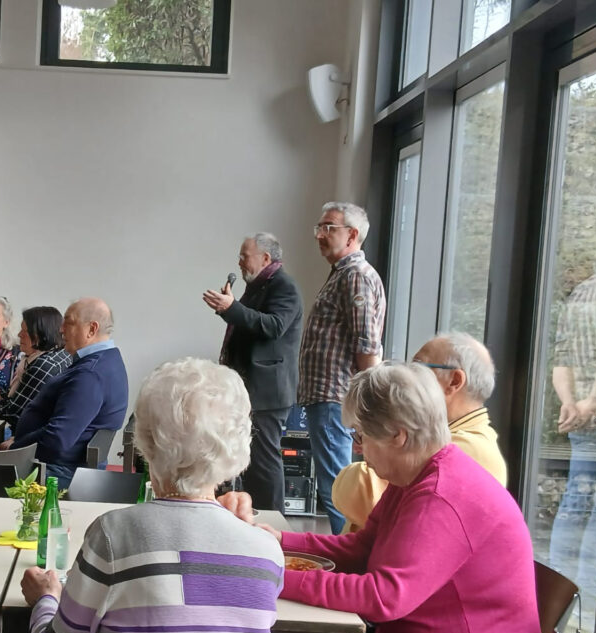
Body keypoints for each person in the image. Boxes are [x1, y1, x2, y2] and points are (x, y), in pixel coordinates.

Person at [19, 358, 284, 633]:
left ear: (145, 441)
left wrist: (45, 601)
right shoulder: (266, 551)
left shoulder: (114, 535)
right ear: (238, 445)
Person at [250, 362, 542, 633]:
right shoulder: (417, 477)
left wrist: (274, 577)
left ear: (398, 436)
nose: (357, 449)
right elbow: (361, 549)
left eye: (360, 435)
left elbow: (384, 597)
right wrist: (279, 543)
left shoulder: (441, 496)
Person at [331, 332, 507, 531]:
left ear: (454, 381)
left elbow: (360, 491)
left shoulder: (469, 450)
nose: (408, 375)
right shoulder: (451, 439)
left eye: (418, 367)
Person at [298, 202, 386, 533]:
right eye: (318, 228)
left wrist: (368, 402)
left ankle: (348, 564)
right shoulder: (344, 274)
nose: (320, 235)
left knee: (337, 487)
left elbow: (367, 344)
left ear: (352, 234)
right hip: (331, 397)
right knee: (337, 484)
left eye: (328, 228)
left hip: (337, 398)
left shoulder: (355, 277)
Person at [202, 233, 303, 511]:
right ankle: (252, 516)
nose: (240, 261)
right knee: (251, 459)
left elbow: (273, 327)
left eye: (245, 255)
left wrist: (232, 308)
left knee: (263, 460)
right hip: (252, 387)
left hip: (267, 391)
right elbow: (250, 323)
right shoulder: (259, 286)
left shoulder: (284, 286)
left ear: (266, 258)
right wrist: (229, 308)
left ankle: (272, 521)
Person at [548, 240, 596, 606]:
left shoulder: (581, 292)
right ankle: (593, 591)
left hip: (578, 412)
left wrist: (570, 404)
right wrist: (593, 402)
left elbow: (562, 354)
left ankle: (560, 585)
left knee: (575, 497)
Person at [10, 298, 127, 488]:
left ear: (92, 329)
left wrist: (18, 447)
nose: (61, 329)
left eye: (69, 322)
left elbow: (57, 440)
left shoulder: (90, 374)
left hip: (57, 473)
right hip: (60, 465)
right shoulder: (107, 359)